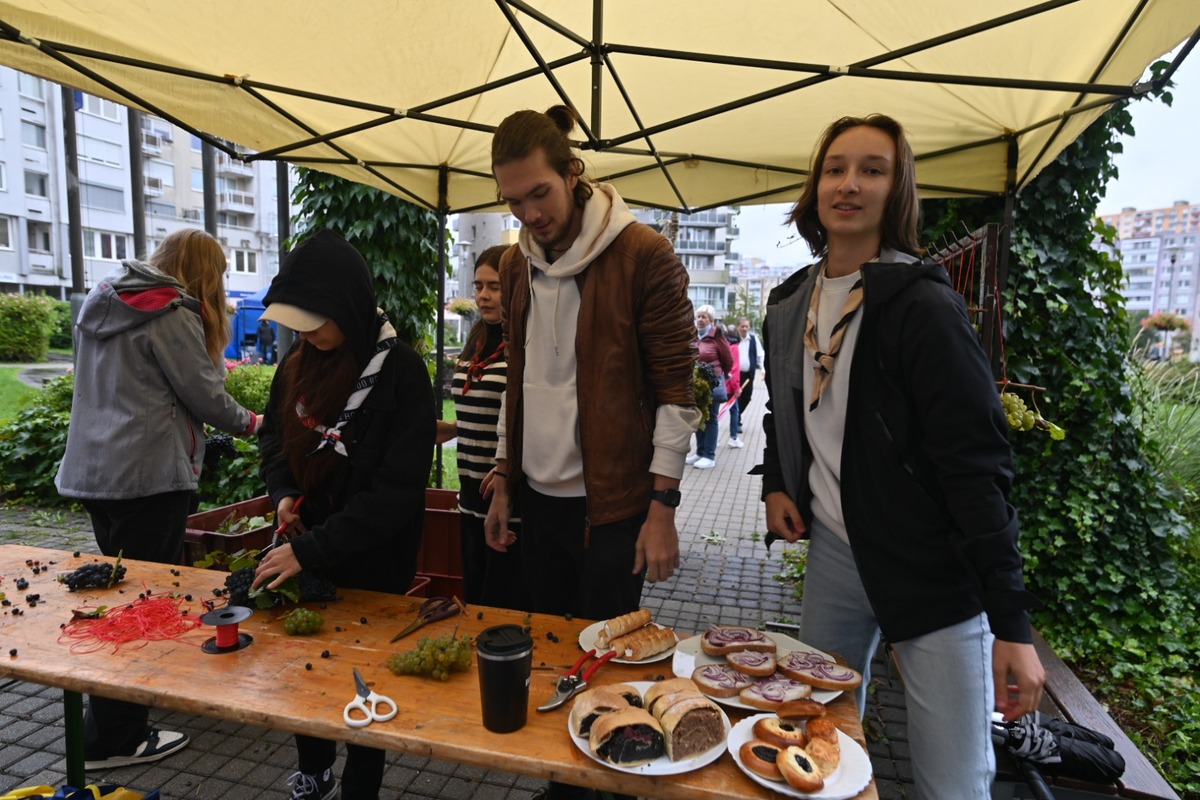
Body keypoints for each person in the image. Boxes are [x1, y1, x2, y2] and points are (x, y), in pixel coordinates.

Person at [759, 114, 1045, 799]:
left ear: (898, 190)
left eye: (872, 169)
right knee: (817, 739)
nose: (848, 184)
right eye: (835, 168)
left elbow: (976, 464)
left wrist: (1012, 623)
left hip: (933, 573)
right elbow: (782, 412)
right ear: (816, 186)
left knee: (953, 782)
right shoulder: (789, 302)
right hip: (835, 556)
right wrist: (777, 482)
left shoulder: (921, 305)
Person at [483, 106, 697, 798]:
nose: (528, 213)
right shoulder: (516, 265)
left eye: (538, 193)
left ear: (572, 174)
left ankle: (607, 777)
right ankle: (566, 779)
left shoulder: (643, 254)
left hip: (614, 510)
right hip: (539, 503)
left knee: (607, 662)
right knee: (553, 656)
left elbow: (676, 392)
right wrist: (503, 477)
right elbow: (517, 379)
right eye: (512, 200)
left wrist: (662, 508)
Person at [55, 228, 263, 771]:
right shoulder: (169, 312)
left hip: (96, 476)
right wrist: (255, 422)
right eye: (217, 275)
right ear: (203, 272)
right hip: (148, 478)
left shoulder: (103, 301)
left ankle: (105, 727)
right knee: (141, 607)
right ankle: (118, 739)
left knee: (120, 595)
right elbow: (204, 394)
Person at [251, 229, 435, 800]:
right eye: (299, 322)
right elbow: (277, 442)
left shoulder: (402, 372)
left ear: (348, 304)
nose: (307, 333)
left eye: (316, 319)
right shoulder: (296, 364)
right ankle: (313, 769)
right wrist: (284, 494)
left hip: (375, 557)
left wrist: (308, 550)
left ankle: (360, 782)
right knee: (309, 668)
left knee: (364, 675)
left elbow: (395, 495)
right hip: (305, 545)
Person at [435, 245, 531, 610]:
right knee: (475, 595)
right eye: (478, 286)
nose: (483, 296)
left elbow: (527, 419)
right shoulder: (477, 339)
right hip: (469, 490)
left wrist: (506, 471)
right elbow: (476, 413)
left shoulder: (523, 344)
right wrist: (444, 429)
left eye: (495, 286)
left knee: (503, 602)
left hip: (509, 498)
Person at [685, 304, 731, 469]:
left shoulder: (717, 337)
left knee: (710, 418)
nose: (700, 320)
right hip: (696, 384)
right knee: (699, 417)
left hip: (712, 383)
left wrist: (720, 375)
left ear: (711, 320)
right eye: (698, 316)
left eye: (704, 317)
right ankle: (700, 452)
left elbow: (728, 360)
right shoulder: (694, 336)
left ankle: (709, 456)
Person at [735, 317, 763, 426]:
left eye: (747, 326)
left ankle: (737, 416)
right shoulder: (734, 339)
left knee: (747, 397)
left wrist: (762, 369)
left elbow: (760, 355)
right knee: (736, 397)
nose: (744, 329)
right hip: (736, 375)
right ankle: (736, 421)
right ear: (738, 327)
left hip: (748, 375)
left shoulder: (753, 339)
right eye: (742, 326)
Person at [723, 323, 744, 448]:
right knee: (734, 411)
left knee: (714, 414)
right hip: (730, 386)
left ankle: (713, 439)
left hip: (720, 385)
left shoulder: (724, 346)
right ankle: (733, 437)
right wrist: (737, 387)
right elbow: (734, 370)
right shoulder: (735, 348)